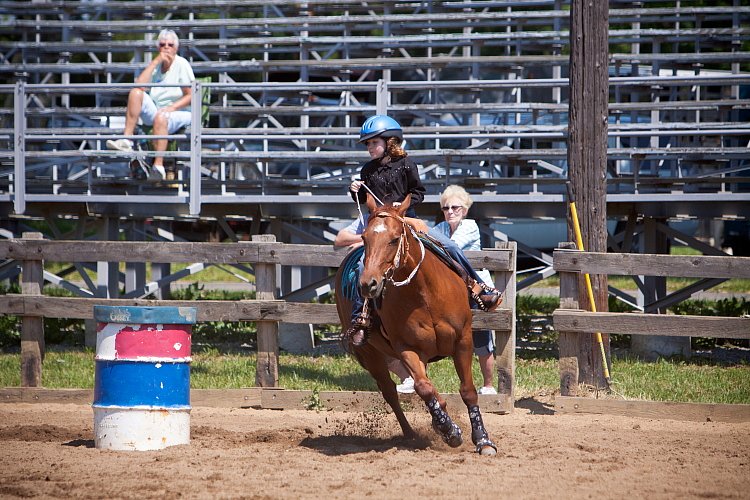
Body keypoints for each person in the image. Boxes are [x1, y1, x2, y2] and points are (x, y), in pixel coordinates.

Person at [339, 114, 501, 348]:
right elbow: (366, 199)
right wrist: (356, 190)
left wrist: (402, 204)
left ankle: (479, 288)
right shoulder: (368, 170)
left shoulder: (407, 165)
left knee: (450, 246)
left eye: (374, 142)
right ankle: (360, 317)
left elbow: (418, 192)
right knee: (363, 265)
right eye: (368, 144)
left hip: (409, 220)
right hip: (383, 227)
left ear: (389, 142)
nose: (370, 148)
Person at [429, 185, 498, 395]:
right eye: (446, 208)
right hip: (450, 289)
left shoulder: (470, 226)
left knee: (481, 337)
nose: (450, 211)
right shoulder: (440, 227)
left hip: (475, 289)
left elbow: (450, 247)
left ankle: (488, 385)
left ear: (465, 210)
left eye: (455, 207)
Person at [107, 29, 195, 180]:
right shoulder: (156, 66)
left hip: (180, 112)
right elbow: (140, 85)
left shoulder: (182, 64)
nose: (166, 47)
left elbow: (191, 95)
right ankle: (126, 140)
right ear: (158, 47)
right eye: (162, 44)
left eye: (170, 44)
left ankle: (158, 165)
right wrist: (155, 62)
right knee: (135, 93)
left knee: (161, 116)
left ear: (176, 48)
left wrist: (172, 108)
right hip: (159, 111)